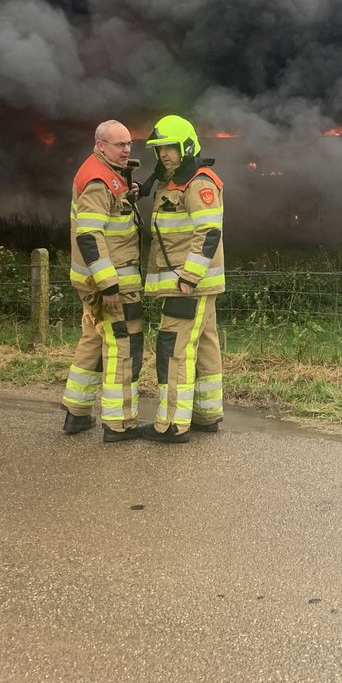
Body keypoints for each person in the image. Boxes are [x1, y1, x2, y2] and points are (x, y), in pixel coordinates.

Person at [142, 114, 225, 443]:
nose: (163, 154)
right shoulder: (173, 181)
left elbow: (208, 232)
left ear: (186, 147)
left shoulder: (199, 183)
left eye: (170, 148)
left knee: (173, 349)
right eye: (160, 149)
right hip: (190, 283)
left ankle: (172, 425)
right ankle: (206, 414)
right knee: (204, 345)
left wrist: (189, 277)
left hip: (188, 285)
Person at [61, 119, 145, 442]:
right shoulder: (98, 179)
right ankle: (120, 423)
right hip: (111, 285)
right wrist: (109, 284)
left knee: (93, 341)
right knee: (122, 347)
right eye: (119, 145)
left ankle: (76, 414)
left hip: (92, 281)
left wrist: (128, 195)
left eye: (128, 144)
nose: (126, 150)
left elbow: (109, 218)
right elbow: (90, 234)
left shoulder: (102, 172)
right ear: (100, 146)